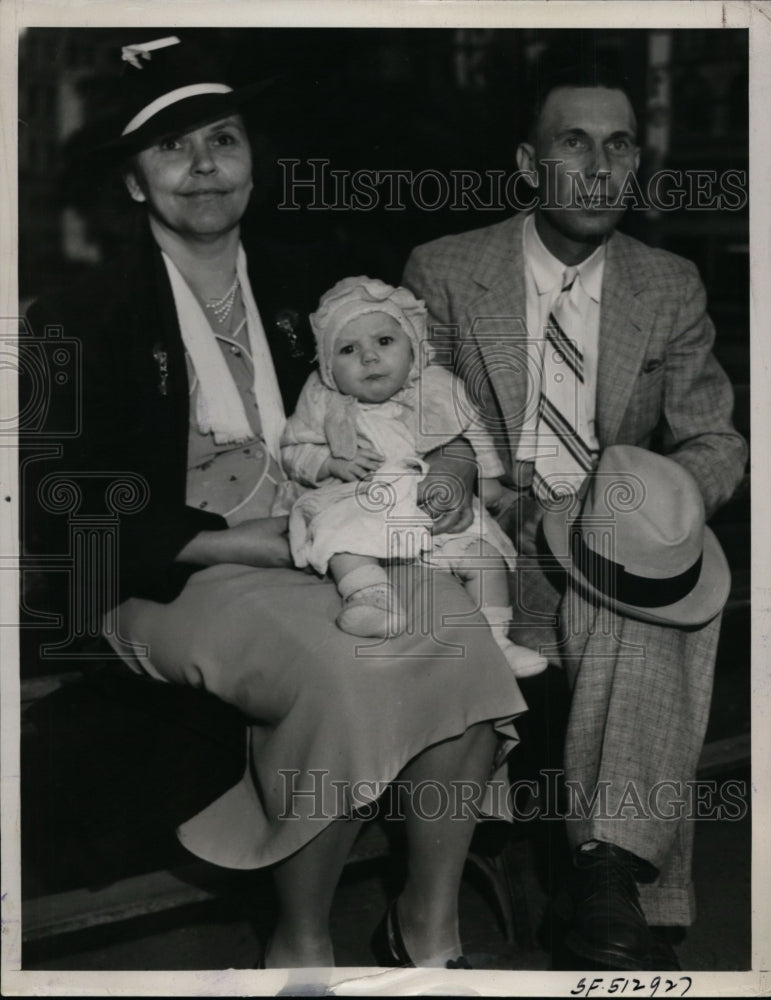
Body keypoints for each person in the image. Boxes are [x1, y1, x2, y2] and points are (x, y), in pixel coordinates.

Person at [22, 36, 529, 969]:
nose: (204, 166)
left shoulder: (314, 279)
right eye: (172, 148)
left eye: (223, 138)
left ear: (253, 162)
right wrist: (234, 545)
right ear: (135, 183)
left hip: (341, 544)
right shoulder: (78, 316)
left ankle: (427, 924)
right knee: (346, 669)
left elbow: (415, 393)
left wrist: (454, 462)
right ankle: (298, 951)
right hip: (181, 575)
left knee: (459, 639)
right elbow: (64, 515)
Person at [402, 59, 748, 970]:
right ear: (529, 164)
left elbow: (716, 440)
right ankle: (617, 884)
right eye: (574, 143)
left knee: (649, 572)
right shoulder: (444, 271)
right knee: (631, 584)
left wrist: (654, 508)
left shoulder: (667, 285)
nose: (600, 167)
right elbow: (406, 431)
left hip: (600, 534)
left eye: (621, 144)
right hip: (479, 537)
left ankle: (605, 871)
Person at [278, 274, 548, 678]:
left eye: (384, 342)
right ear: (328, 365)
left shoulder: (439, 388)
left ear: (414, 347)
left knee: (485, 558)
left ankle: (496, 641)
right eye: (349, 349)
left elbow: (472, 437)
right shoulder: (322, 398)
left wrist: (484, 483)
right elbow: (292, 449)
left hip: (435, 510)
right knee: (341, 539)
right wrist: (328, 463)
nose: (369, 358)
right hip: (363, 499)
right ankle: (371, 602)